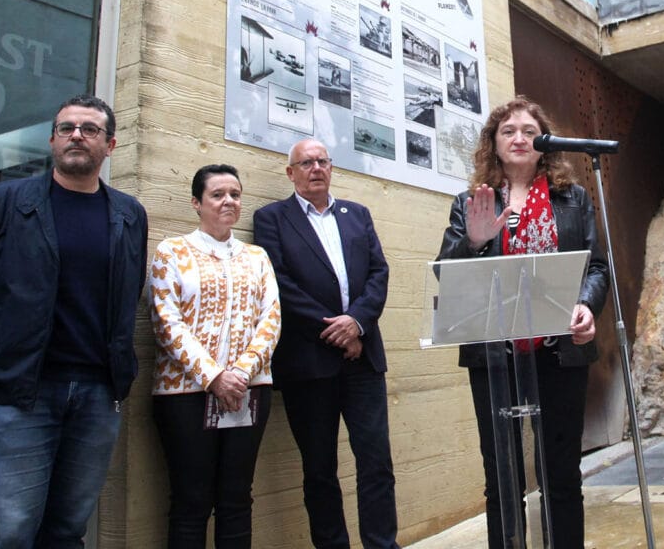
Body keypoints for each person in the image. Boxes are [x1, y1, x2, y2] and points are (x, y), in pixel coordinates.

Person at [0, 95, 149, 547]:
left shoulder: (129, 213)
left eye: (90, 129)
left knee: (67, 531)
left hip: (97, 395)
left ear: (110, 145)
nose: (77, 136)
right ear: (52, 140)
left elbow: (128, 291)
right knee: (9, 533)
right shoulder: (5, 201)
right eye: (66, 128)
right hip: (20, 393)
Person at [437, 96, 610, 549]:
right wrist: (474, 242)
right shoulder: (470, 203)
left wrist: (587, 306)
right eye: (508, 131)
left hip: (560, 351)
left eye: (530, 131)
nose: (519, 138)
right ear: (493, 143)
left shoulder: (572, 199)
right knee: (503, 476)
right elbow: (445, 274)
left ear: (544, 143)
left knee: (562, 473)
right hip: (494, 354)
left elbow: (595, 267)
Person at [252, 139, 401, 549]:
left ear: (331, 168)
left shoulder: (358, 214)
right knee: (319, 469)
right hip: (309, 363)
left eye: (322, 161)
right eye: (306, 163)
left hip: (363, 359)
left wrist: (357, 323)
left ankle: (382, 544)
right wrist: (337, 333)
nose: (315, 168)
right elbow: (279, 284)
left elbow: (379, 273)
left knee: (376, 462)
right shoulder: (271, 218)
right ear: (291, 173)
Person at [149, 164, 282, 548]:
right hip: (184, 395)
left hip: (248, 389)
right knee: (191, 500)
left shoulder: (257, 256)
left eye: (235, 195)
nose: (229, 201)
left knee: (237, 498)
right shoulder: (172, 251)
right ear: (196, 202)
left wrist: (240, 373)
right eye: (218, 194)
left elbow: (271, 318)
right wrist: (214, 377)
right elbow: (166, 321)